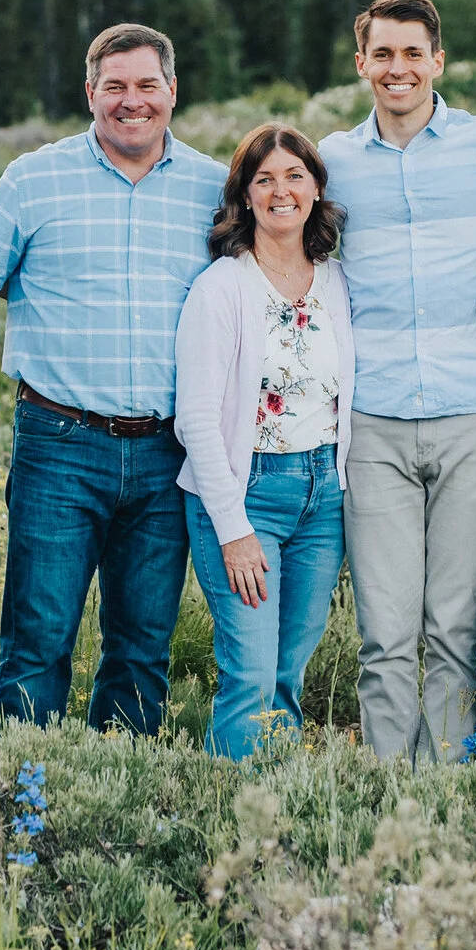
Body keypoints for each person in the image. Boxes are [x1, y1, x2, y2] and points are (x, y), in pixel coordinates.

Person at [0, 23, 228, 736]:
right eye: (115, 86)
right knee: (37, 640)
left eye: (146, 85)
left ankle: (117, 811)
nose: (130, 101)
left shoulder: (215, 188)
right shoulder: (33, 178)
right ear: (90, 92)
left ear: (173, 91)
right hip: (59, 443)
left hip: (170, 452)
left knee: (142, 648)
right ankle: (18, 802)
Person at [318, 0, 476, 764]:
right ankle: (390, 792)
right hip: (374, 420)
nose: (399, 68)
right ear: (361, 63)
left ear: (439, 60)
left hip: (474, 410)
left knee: (456, 625)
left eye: (413, 53)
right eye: (383, 54)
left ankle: (452, 790)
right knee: (386, 629)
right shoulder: (330, 160)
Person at [173, 123, 355, 760]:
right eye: (265, 179)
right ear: (244, 196)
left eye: (295, 176)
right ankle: (233, 820)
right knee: (249, 674)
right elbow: (195, 419)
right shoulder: (222, 287)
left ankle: (284, 815)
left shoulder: (334, 281)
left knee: (287, 673)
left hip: (322, 498)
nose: (282, 191)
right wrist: (233, 527)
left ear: (315, 189)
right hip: (246, 494)